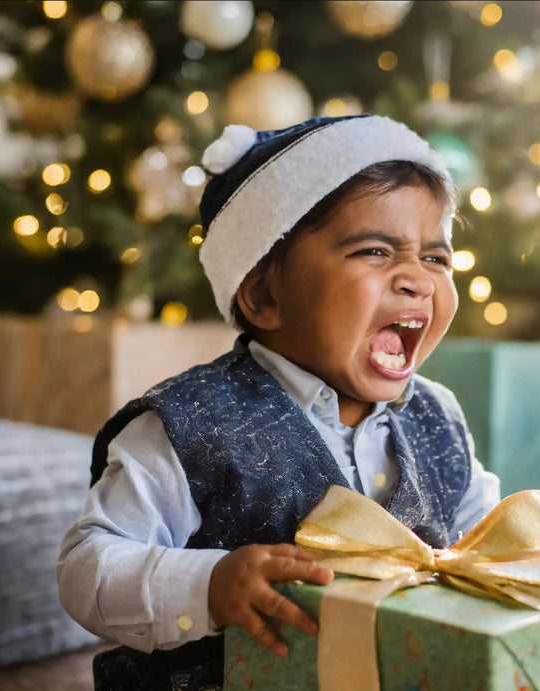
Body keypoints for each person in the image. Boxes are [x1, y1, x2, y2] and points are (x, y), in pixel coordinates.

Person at [58, 114, 500, 691]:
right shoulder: (191, 425)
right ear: (266, 295)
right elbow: (85, 567)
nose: (417, 279)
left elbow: (486, 538)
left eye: (436, 258)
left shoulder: (436, 416)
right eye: (374, 250)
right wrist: (209, 585)